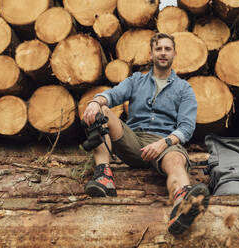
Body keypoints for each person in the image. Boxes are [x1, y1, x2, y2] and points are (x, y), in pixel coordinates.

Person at [82, 33, 210, 235]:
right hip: (133, 141)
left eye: (167, 49)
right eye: (159, 49)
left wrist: (164, 143)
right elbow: (113, 95)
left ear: (175, 54)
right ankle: (104, 177)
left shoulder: (184, 89)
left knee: (177, 160)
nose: (163, 53)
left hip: (165, 144)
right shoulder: (136, 81)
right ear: (150, 54)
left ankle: (182, 205)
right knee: (102, 111)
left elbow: (186, 128)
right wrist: (95, 101)